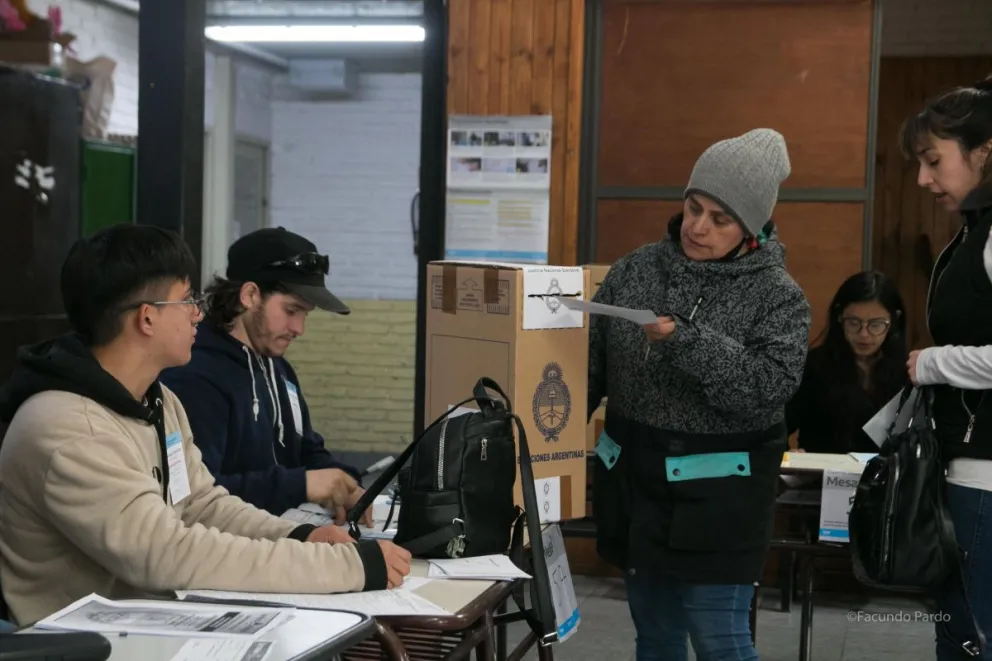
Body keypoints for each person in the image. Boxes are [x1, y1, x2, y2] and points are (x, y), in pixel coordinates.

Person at [0, 224, 411, 626]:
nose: (199, 312)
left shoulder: (158, 401)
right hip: (79, 642)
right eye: (186, 300)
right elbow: (163, 553)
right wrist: (341, 567)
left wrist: (299, 536)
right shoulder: (67, 428)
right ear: (147, 318)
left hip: (151, 620)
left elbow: (200, 503)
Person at [588, 128, 811, 661]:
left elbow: (769, 386)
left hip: (718, 501)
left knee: (721, 641)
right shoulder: (636, 268)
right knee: (656, 638)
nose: (697, 227)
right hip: (637, 486)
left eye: (720, 218)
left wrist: (685, 341)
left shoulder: (779, 296)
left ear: (751, 227)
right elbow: (590, 362)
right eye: (693, 208)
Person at [160, 228, 368, 522]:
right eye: (291, 310)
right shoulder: (196, 375)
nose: (299, 328)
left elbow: (307, 448)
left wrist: (345, 481)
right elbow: (197, 496)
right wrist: (303, 484)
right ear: (250, 295)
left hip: (285, 534)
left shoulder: (278, 368)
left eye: (305, 314)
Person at [901, 76, 992, 660]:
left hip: (984, 480)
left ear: (985, 152)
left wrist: (932, 362)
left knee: (968, 640)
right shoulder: (973, 231)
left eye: (934, 160)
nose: (922, 179)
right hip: (968, 470)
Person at [786, 271, 909, 453]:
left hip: (883, 478)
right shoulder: (814, 365)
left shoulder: (907, 370)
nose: (864, 334)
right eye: (854, 322)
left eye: (876, 324)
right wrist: (790, 456)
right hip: (821, 477)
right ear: (839, 317)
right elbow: (778, 428)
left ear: (894, 320)